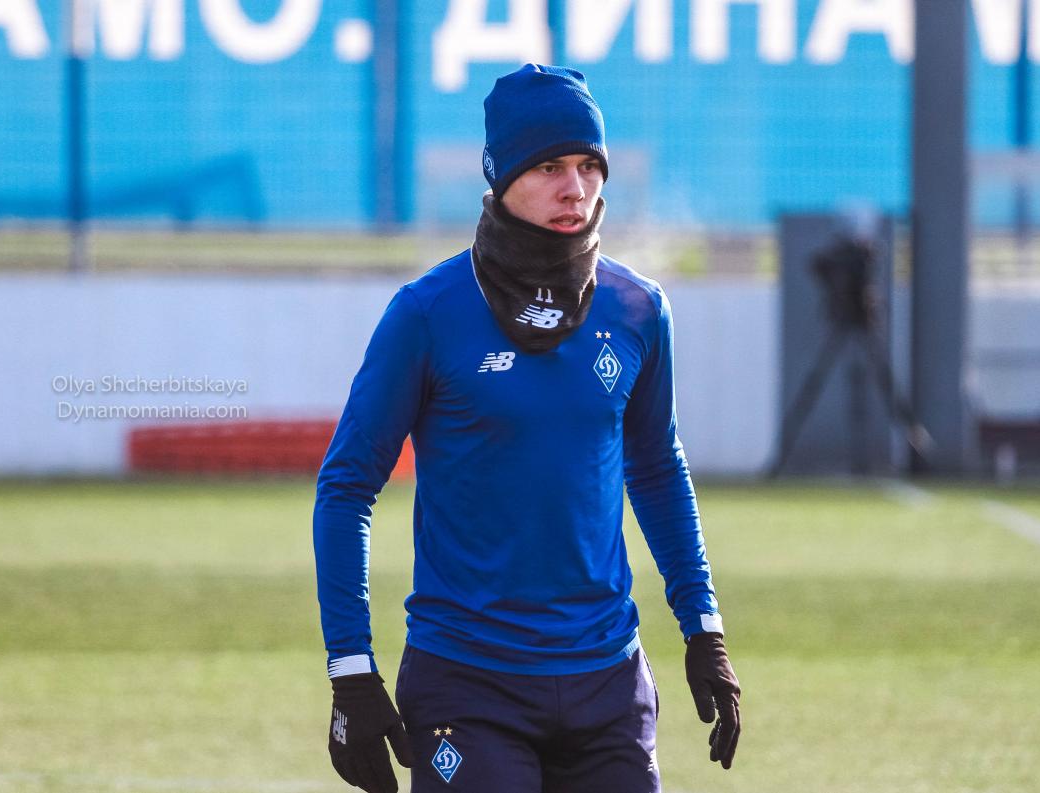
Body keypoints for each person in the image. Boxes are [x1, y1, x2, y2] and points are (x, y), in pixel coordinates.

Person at [313, 63, 740, 793]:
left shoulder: (638, 310)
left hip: (609, 684)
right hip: (467, 686)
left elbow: (657, 469)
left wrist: (704, 629)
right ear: (502, 175)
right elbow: (347, 486)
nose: (575, 187)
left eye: (588, 166)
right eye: (548, 167)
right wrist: (351, 670)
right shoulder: (428, 312)